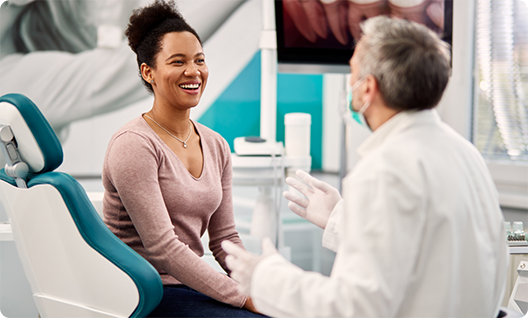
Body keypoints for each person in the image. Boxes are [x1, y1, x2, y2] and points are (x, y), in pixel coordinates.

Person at [222, 16, 509, 318]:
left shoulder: (383, 169)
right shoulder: (465, 153)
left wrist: (266, 278)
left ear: (367, 88)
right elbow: (429, 251)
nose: (350, 83)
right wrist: (339, 218)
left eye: (353, 72)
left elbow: (353, 308)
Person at [102, 1, 264, 316]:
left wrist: (259, 286)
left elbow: (225, 238)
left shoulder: (216, 144)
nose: (193, 71)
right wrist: (242, 297)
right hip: (143, 292)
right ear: (148, 72)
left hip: (190, 285)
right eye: (178, 62)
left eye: (199, 60)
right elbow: (163, 249)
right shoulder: (133, 145)